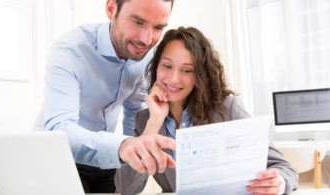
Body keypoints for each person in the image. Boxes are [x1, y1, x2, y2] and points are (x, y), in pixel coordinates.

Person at [114, 27, 299, 195]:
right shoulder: (144, 120)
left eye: (187, 70)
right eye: (167, 66)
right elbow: (126, 188)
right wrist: (154, 122)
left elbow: (284, 167)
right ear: (156, 67)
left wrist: (278, 181)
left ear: (200, 75)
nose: (173, 79)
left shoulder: (227, 109)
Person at [40, 0, 176, 193]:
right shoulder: (70, 50)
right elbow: (60, 130)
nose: (146, 39)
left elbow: (133, 110)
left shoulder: (146, 54)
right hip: (60, 159)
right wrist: (123, 146)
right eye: (137, 22)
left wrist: (130, 162)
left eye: (158, 27)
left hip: (107, 160)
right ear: (111, 8)